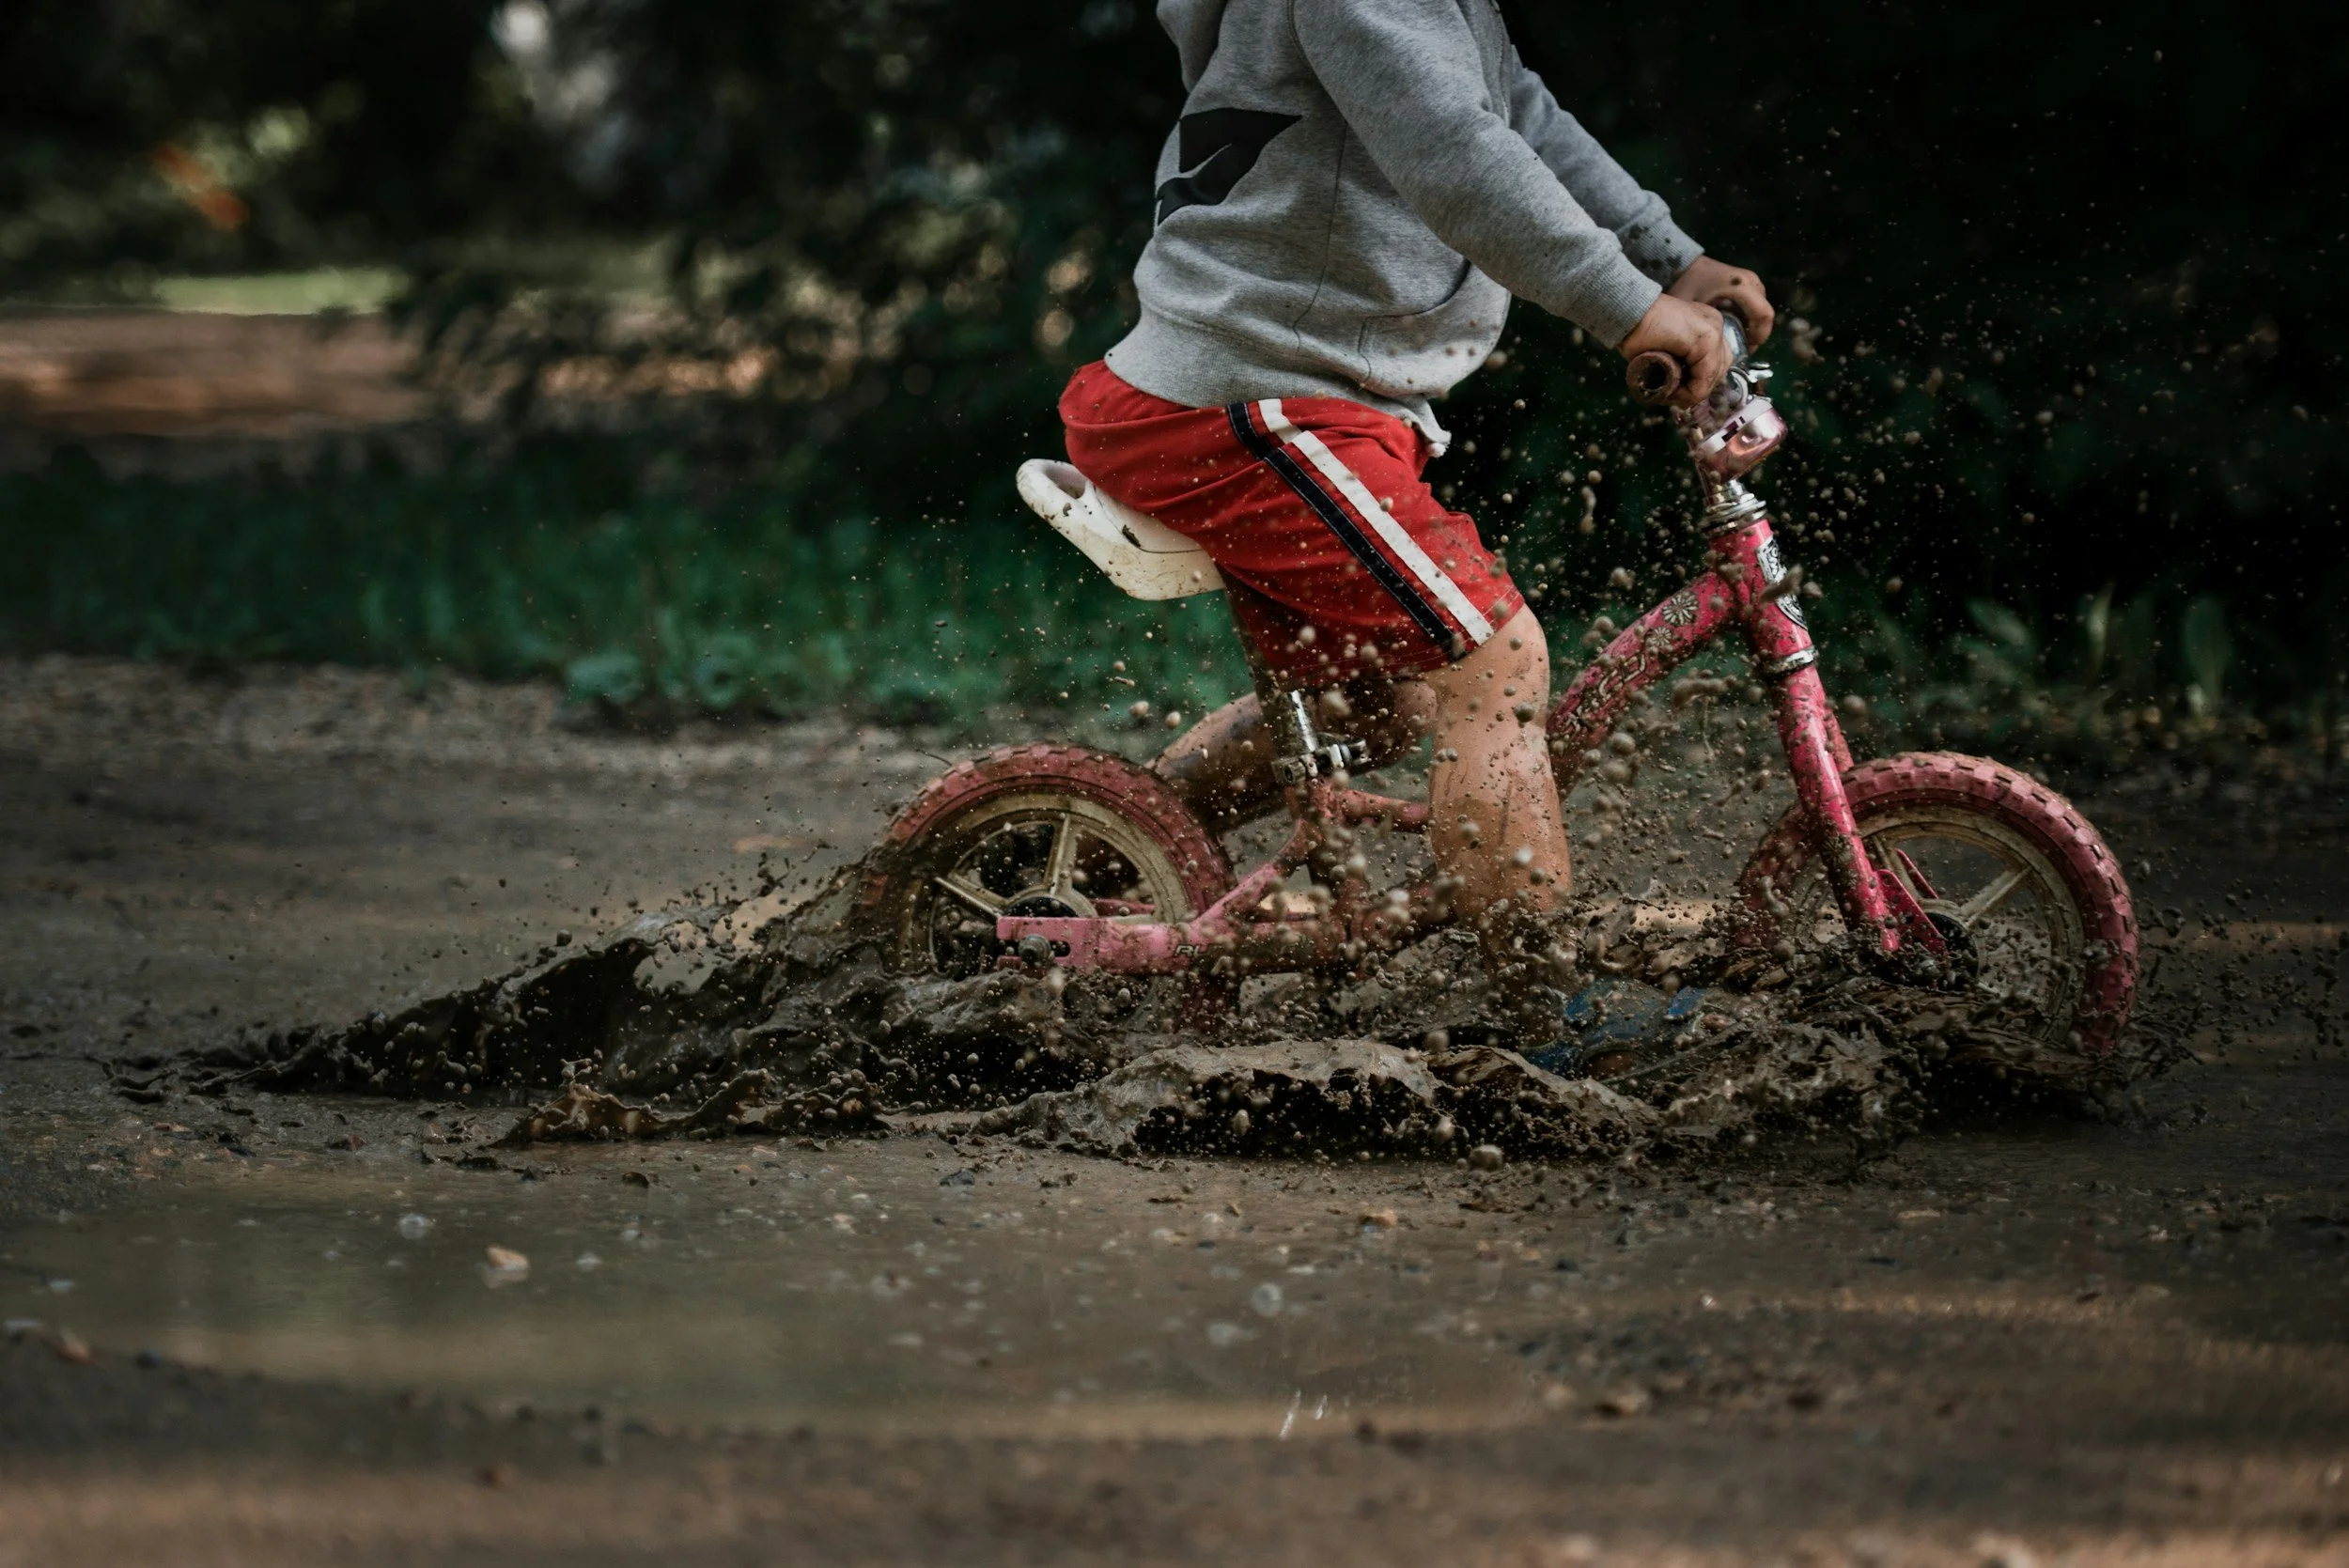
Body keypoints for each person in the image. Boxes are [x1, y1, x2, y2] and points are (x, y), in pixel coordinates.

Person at [1058, 0, 1772, 1032]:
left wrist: (1663, 257)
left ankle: (1111, 840)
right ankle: (1552, 1015)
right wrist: (1629, 306)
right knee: (1490, 660)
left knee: (1387, 696)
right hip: (1252, 398)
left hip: (1298, 390)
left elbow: (1513, 108)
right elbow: (1455, 154)